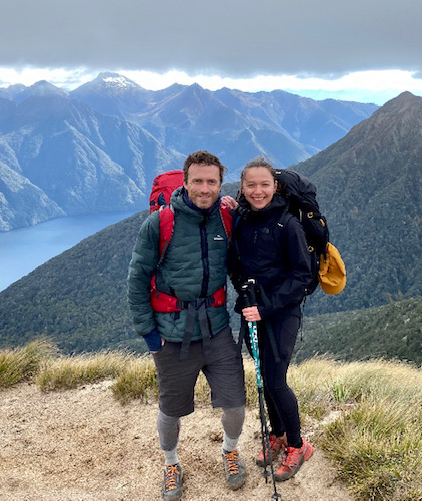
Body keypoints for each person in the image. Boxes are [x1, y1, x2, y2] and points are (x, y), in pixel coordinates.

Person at [127, 150, 247, 501]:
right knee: (171, 408)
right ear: (185, 181)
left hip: (218, 329)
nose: (204, 188)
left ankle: (229, 451)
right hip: (172, 334)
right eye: (198, 180)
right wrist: (149, 335)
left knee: (236, 404)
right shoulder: (160, 223)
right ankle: (171, 463)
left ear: (220, 183)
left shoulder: (226, 218)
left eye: (211, 181)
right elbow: (137, 279)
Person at [229, 156, 314, 481]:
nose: (258, 190)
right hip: (252, 310)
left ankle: (297, 445)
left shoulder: (287, 224)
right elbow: (235, 262)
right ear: (242, 187)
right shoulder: (242, 219)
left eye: (264, 184)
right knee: (264, 378)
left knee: (276, 381)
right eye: (251, 185)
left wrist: (265, 307)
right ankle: (277, 433)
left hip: (281, 314)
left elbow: (301, 278)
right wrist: (244, 290)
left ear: (275, 186)